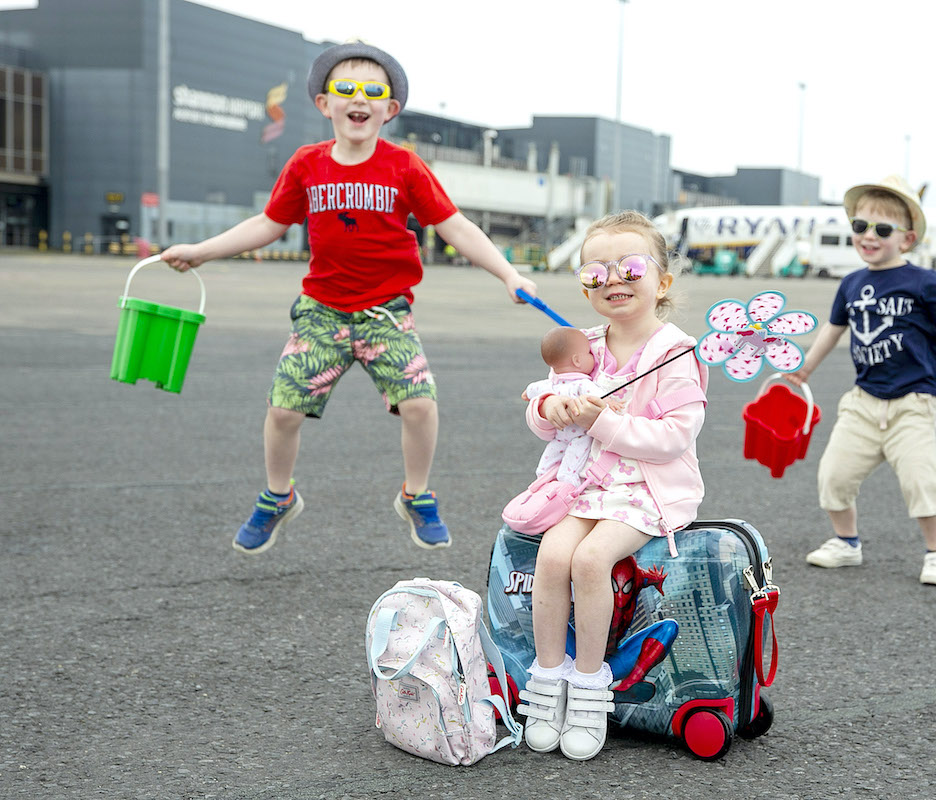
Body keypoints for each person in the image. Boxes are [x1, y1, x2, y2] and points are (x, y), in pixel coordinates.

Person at [159, 41, 537, 553]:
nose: (359, 98)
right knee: (283, 411)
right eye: (346, 89)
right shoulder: (307, 164)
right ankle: (277, 496)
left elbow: (455, 226)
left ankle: (417, 494)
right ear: (324, 103)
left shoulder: (404, 166)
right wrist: (202, 251)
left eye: (373, 91)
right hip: (322, 312)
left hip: (387, 313)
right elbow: (269, 224)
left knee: (421, 405)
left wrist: (508, 274)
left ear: (390, 109)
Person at [515, 211, 708, 761]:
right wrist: (554, 406)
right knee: (553, 556)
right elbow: (542, 411)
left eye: (628, 268)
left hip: (647, 488)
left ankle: (590, 687)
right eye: (595, 272)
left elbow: (675, 436)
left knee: (591, 560)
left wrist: (600, 420)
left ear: (662, 282)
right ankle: (548, 681)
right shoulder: (585, 344)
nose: (613, 281)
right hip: (588, 485)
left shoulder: (676, 353)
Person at [784, 175, 936, 587]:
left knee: (922, 481)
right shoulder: (851, 284)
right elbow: (832, 331)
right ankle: (847, 543)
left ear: (906, 239)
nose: (868, 236)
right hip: (863, 402)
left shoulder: (926, 283)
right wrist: (804, 369)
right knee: (833, 476)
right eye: (860, 226)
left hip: (913, 404)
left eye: (882, 230)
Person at [521, 327, 624, 486]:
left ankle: (542, 479)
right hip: (579, 433)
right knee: (574, 457)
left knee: (548, 459)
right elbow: (598, 397)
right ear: (577, 360)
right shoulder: (582, 383)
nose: (593, 357)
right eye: (589, 354)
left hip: (559, 435)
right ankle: (568, 479)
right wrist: (609, 402)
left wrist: (527, 393)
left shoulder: (550, 383)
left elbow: (532, 389)